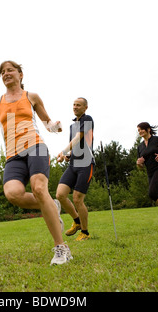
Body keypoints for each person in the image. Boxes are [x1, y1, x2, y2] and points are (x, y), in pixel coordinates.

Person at [0, 60, 72, 265]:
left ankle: (61, 248)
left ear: (20, 75)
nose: (6, 74)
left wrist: (56, 127)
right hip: (13, 154)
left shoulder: (31, 96)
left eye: (10, 70)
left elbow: (47, 122)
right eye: (3, 72)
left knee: (39, 189)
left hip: (35, 147)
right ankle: (53, 204)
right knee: (13, 194)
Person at [56, 97, 95, 241]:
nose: (75, 107)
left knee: (77, 199)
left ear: (85, 107)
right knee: (60, 195)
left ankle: (85, 232)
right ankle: (77, 221)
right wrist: (66, 155)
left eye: (78, 105)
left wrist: (63, 150)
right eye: (74, 105)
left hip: (86, 163)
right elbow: (74, 145)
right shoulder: (72, 126)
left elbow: (79, 138)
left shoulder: (88, 119)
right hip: (73, 164)